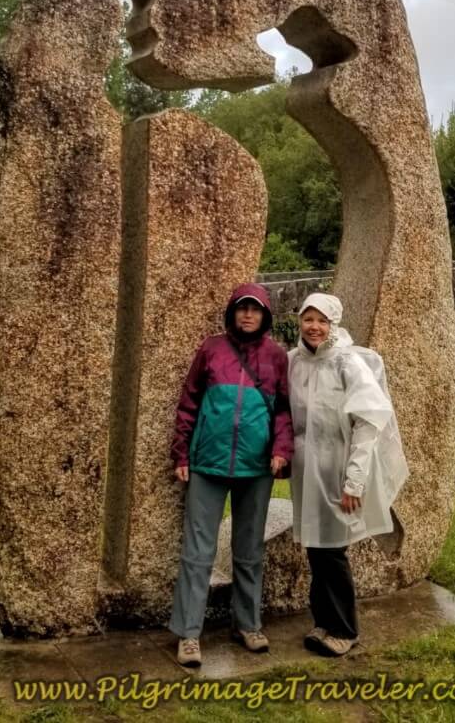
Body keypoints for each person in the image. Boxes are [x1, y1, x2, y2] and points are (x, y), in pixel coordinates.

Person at [168, 282, 293, 668]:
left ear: (266, 315)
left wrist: (280, 450)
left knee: (249, 550)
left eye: (255, 309)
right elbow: (189, 401)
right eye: (242, 308)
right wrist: (181, 452)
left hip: (256, 467)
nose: (248, 315)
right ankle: (189, 634)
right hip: (208, 462)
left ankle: (248, 624)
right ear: (232, 312)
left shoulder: (276, 357)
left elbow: (284, 411)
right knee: (198, 551)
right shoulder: (211, 349)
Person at [288, 292, 408, 657]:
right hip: (306, 472)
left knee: (333, 551)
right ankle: (323, 621)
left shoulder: (346, 363)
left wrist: (355, 480)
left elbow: (368, 422)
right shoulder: (293, 361)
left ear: (333, 324)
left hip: (339, 471)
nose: (314, 327)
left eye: (322, 321)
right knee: (315, 547)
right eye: (308, 319)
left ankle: (344, 629)